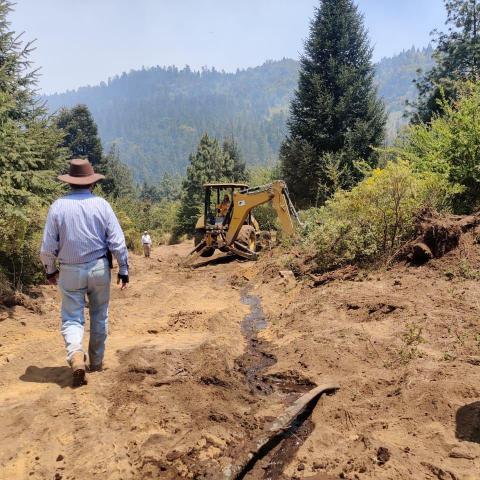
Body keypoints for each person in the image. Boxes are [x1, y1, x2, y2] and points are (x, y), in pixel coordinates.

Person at [40, 158, 129, 387]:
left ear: (69, 183)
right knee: (100, 314)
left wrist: (50, 269)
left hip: (69, 269)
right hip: (99, 267)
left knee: (72, 317)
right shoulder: (102, 205)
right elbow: (117, 241)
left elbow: (48, 247)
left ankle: (76, 356)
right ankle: (97, 363)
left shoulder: (57, 207)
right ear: (92, 183)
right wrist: (124, 269)